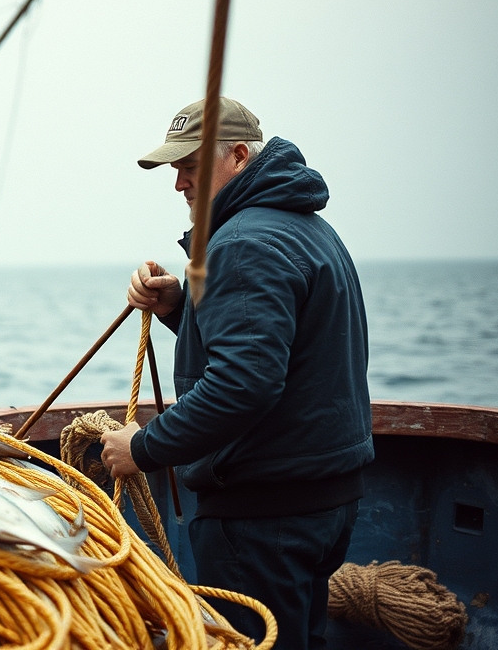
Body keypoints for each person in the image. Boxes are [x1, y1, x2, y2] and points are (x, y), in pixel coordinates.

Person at [99, 97, 373, 650]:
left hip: (264, 516)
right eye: (175, 169)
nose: (179, 183)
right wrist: (181, 309)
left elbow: (243, 384)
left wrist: (143, 447)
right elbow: (278, 353)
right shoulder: (307, 229)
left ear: (240, 156)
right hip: (324, 505)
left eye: (190, 166)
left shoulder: (242, 244)